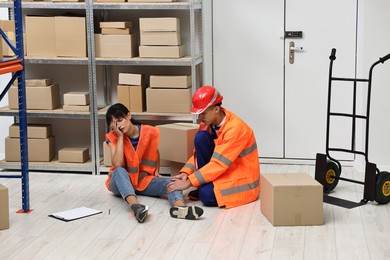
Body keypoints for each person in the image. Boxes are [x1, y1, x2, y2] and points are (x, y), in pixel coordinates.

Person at [105, 103, 203, 223]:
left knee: (173, 182)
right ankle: (136, 206)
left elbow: (154, 150)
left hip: (142, 182)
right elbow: (117, 164)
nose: (118, 125)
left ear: (129, 115)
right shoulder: (112, 137)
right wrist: (120, 138)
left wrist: (157, 170)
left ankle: (180, 208)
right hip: (119, 183)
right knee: (119, 171)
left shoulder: (149, 131)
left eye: (120, 120)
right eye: (114, 123)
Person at [167, 86, 260, 208]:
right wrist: (186, 172)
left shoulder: (236, 129)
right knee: (200, 137)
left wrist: (189, 182)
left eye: (203, 113)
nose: (200, 117)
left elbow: (219, 163)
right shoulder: (207, 124)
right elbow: (197, 155)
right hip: (222, 169)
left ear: (216, 109)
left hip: (240, 176)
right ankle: (205, 185)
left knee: (205, 195)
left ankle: (204, 188)